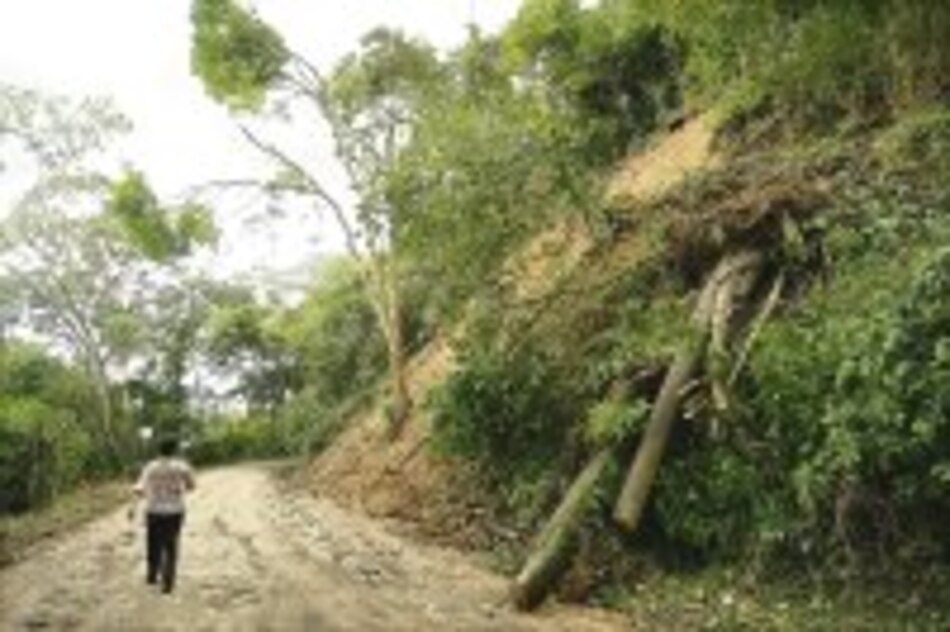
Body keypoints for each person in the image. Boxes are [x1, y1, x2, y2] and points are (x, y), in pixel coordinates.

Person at [132, 437, 196, 594]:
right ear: (175, 450)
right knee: (171, 545)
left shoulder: (150, 466)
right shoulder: (182, 466)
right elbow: (192, 486)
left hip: (153, 511)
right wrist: (179, 488)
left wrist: (132, 507)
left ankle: (152, 575)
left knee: (153, 544)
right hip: (175, 511)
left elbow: (139, 488)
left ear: (159, 450)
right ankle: (168, 582)